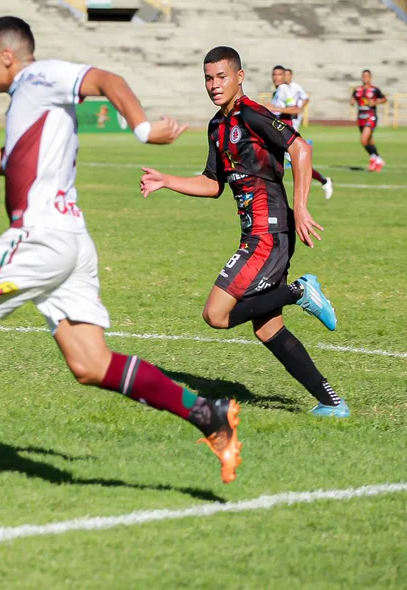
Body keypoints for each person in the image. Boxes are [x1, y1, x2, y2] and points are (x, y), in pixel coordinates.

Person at [0, 17, 242, 504]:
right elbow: (14, 157)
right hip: (70, 241)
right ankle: (208, 415)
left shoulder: (39, 75)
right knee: (91, 364)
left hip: (40, 236)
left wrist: (143, 128)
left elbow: (106, 80)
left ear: (6, 56)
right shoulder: (29, 100)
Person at [139, 46, 348, 419]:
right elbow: (211, 183)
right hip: (255, 234)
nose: (214, 84)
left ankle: (299, 290)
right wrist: (166, 181)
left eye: (221, 76)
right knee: (268, 330)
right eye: (208, 77)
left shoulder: (252, 114)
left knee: (216, 314)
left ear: (239, 76)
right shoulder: (217, 126)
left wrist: (300, 206)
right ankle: (332, 402)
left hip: (269, 234)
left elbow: (300, 148)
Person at [266, 66, 333, 199]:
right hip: (279, 132)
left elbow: (295, 110)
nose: (276, 77)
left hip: (286, 132)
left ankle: (323, 182)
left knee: (299, 167)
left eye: (279, 74)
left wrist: (273, 108)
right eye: (274, 74)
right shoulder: (279, 91)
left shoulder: (285, 90)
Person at [351, 69, 386, 172]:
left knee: (363, 140)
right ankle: (374, 159)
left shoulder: (375, 90)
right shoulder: (357, 90)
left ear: (370, 77)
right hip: (361, 117)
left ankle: (377, 159)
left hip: (370, 116)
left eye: (367, 76)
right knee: (369, 140)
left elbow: (384, 99)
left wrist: (375, 102)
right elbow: (353, 99)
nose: (365, 78)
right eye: (363, 76)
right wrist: (352, 101)